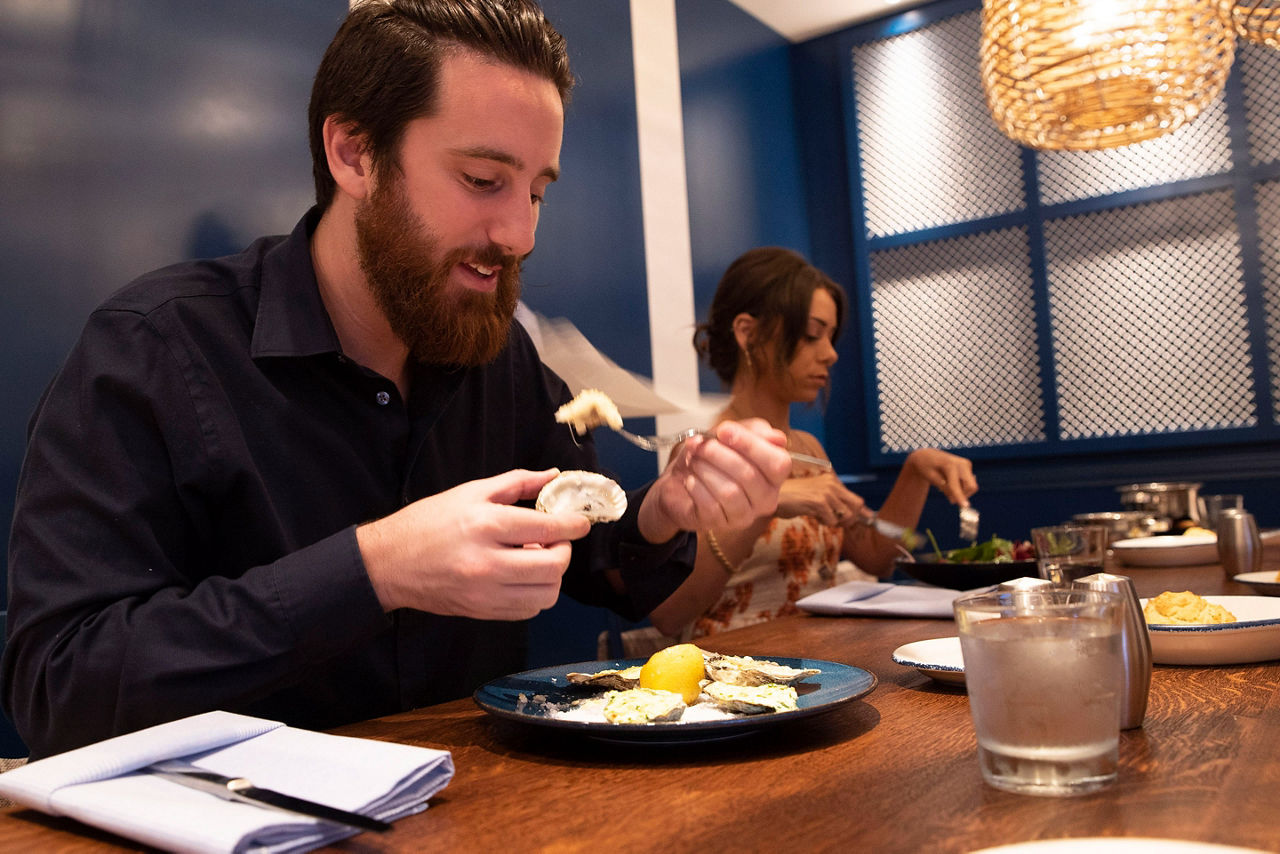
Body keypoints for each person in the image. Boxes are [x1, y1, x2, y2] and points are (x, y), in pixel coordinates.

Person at [0, 0, 792, 759]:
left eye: (538, 191)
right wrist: (375, 568)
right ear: (353, 153)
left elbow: (601, 561)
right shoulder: (153, 350)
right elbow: (59, 688)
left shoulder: (503, 360)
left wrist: (665, 513)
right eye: (484, 180)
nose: (519, 233)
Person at [648, 247, 977, 639]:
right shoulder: (704, 452)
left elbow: (875, 554)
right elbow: (669, 615)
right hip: (738, 672)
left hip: (827, 663)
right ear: (748, 333)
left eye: (831, 336)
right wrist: (766, 503)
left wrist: (916, 471)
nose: (831, 353)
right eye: (811, 335)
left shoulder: (809, 451)